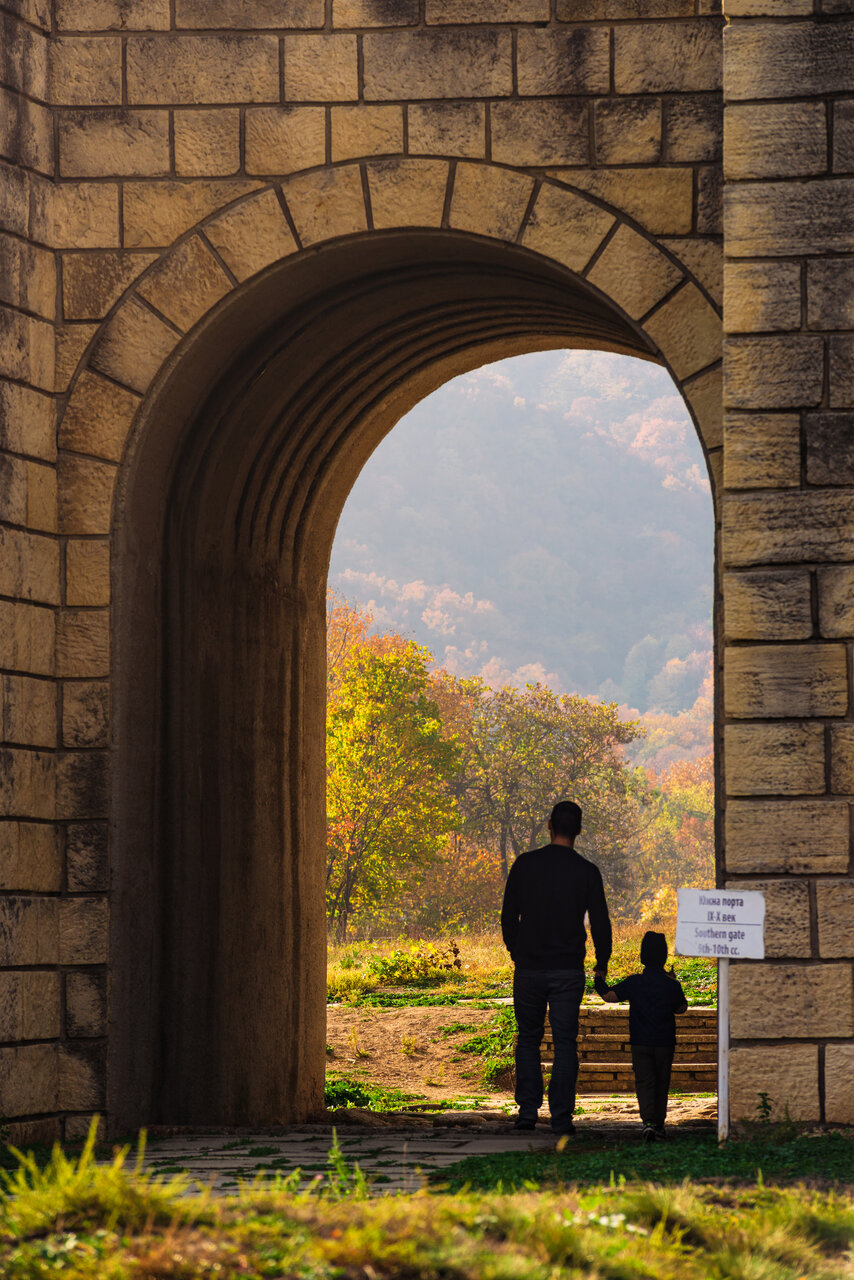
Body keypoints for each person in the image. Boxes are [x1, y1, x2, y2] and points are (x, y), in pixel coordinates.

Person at [501, 799, 612, 1139]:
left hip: (530, 968)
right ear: (578, 830)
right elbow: (601, 924)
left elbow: (508, 916)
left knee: (528, 1040)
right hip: (567, 970)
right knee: (565, 1044)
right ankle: (562, 1118)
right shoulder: (586, 872)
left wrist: (517, 952)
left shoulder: (525, 865)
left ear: (549, 825)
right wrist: (600, 968)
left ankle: (527, 1112)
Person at [594, 930, 688, 1142]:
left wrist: (598, 979)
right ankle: (660, 1124)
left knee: (644, 1082)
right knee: (662, 1083)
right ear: (664, 956)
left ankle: (648, 1123)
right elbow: (681, 1008)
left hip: (640, 1041)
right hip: (664, 1042)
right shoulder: (670, 984)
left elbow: (609, 996)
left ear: (643, 955)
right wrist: (672, 981)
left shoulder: (634, 982)